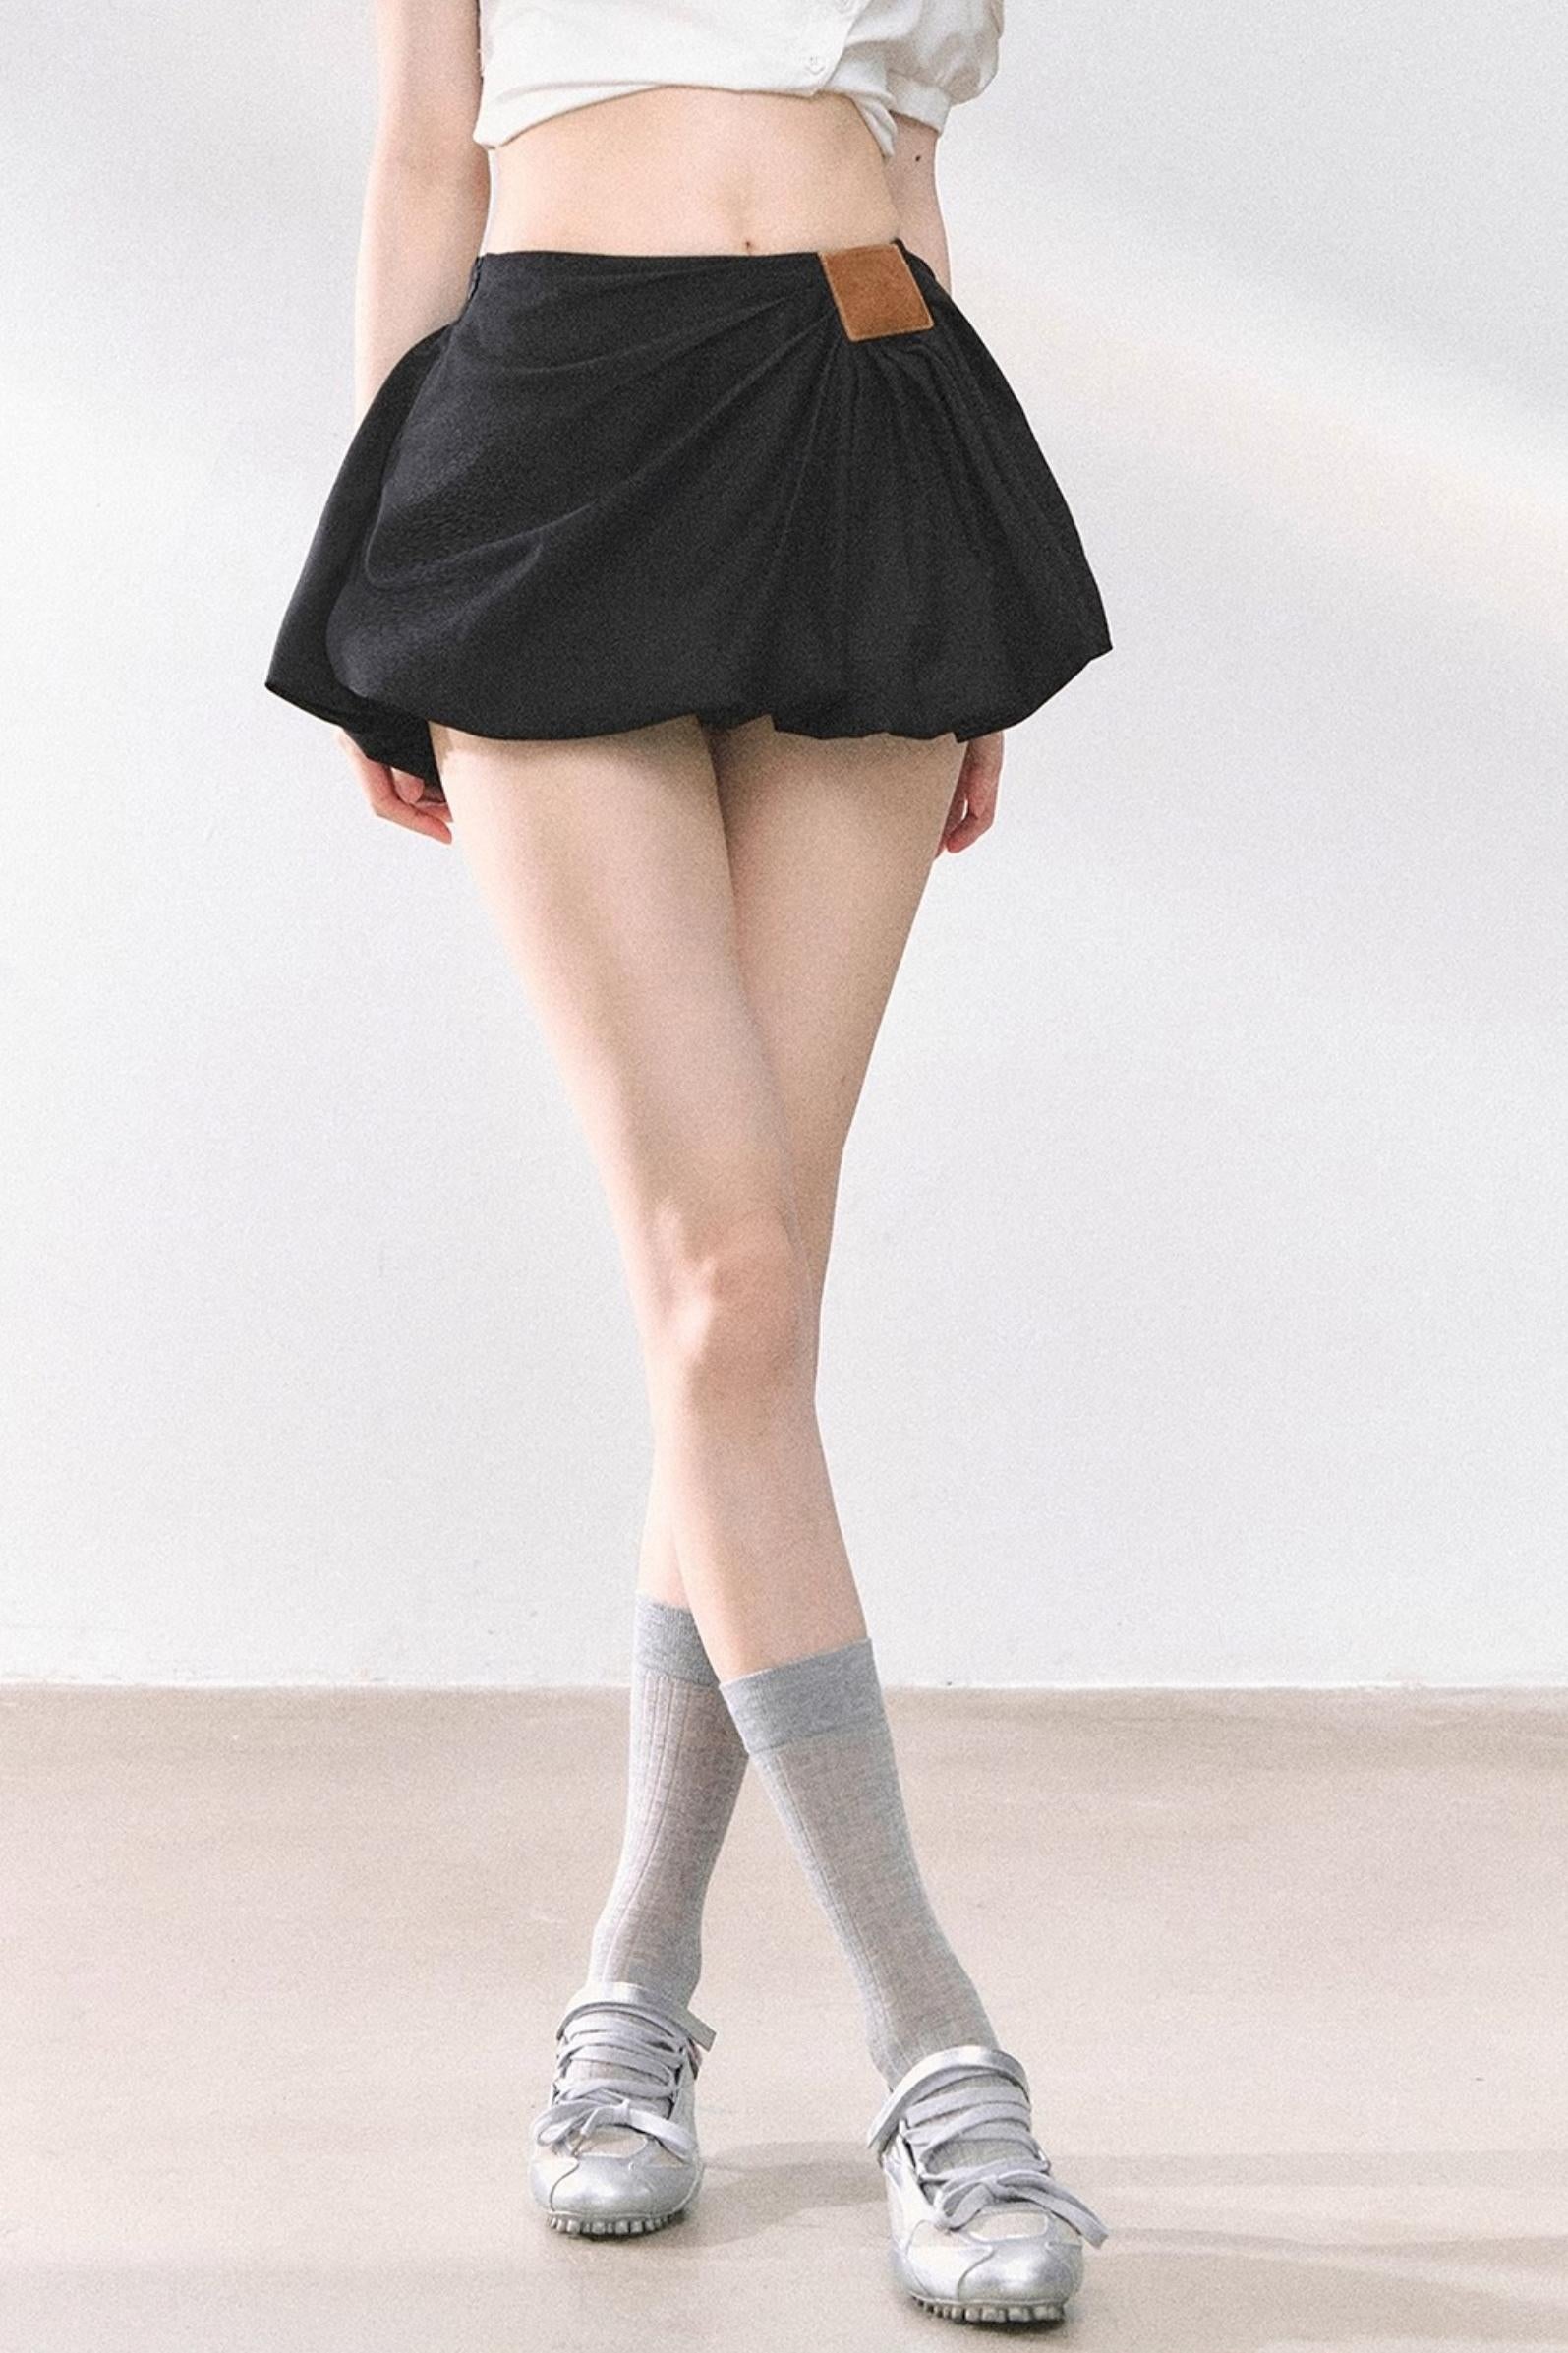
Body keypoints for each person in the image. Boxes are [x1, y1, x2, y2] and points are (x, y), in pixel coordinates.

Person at [265, 0, 1112, 2324]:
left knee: (741, 1315)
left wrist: (955, 598)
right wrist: (375, 590)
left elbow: (906, 168)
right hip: (548, 419)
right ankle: (939, 2050)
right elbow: (424, 157)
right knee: (722, 1281)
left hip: (868, 410)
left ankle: (630, 2001)